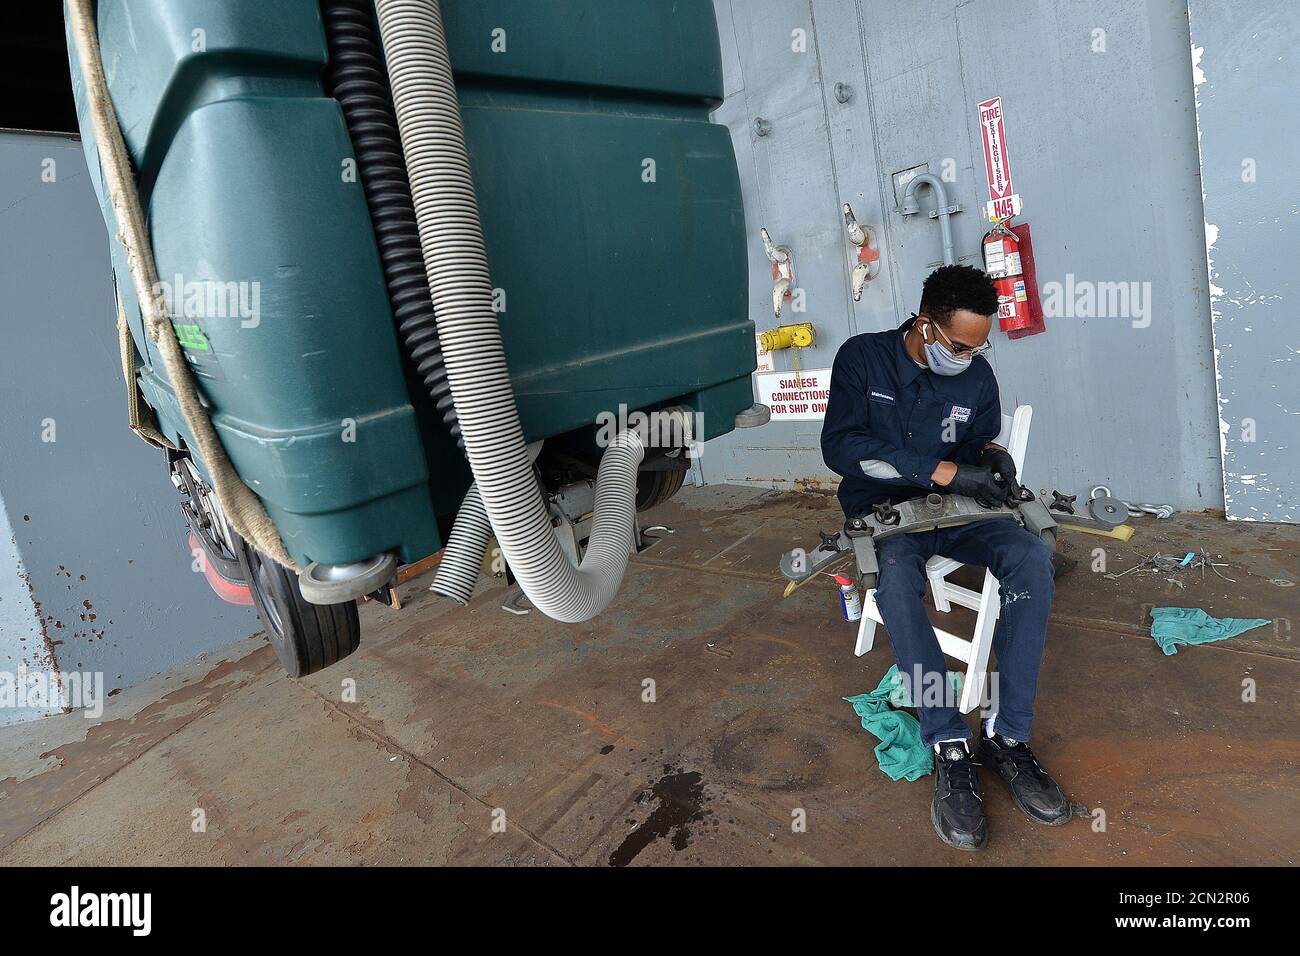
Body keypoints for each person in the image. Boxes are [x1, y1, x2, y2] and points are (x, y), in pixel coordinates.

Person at [820, 264, 1071, 851]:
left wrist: (994, 455)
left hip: (960, 513)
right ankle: (948, 744)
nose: (970, 356)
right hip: (886, 515)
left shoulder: (977, 375)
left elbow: (978, 439)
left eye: (980, 346)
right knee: (895, 583)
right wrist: (939, 471)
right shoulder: (863, 358)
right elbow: (842, 448)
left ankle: (1008, 738)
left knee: (1031, 559)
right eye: (959, 345)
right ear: (927, 325)